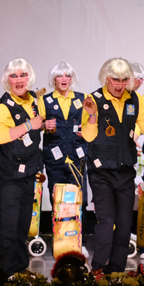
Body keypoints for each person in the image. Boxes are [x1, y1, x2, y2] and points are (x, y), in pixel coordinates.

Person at [81, 58, 144, 273]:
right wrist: (91, 116)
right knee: (107, 221)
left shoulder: (134, 99)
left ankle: (117, 271)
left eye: (124, 80)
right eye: (115, 80)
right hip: (101, 171)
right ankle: (99, 267)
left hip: (125, 170)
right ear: (106, 79)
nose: (120, 85)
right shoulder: (94, 99)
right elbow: (89, 136)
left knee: (124, 223)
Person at [0, 58, 45, 277]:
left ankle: (20, 267)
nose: (19, 80)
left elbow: (40, 124)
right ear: (7, 80)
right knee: (9, 225)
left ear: (29, 78)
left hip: (28, 172)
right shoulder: (3, 106)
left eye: (23, 75)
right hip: (8, 175)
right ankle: (10, 270)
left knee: (23, 225)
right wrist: (29, 125)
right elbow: (1, 136)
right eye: (14, 76)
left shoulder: (34, 101)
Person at [41, 62, 87, 205]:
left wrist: (85, 129)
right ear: (54, 79)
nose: (64, 79)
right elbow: (37, 126)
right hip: (54, 158)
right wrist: (44, 125)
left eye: (68, 76)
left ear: (71, 79)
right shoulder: (45, 100)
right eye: (60, 76)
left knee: (78, 197)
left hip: (77, 156)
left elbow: (92, 123)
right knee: (57, 197)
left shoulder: (82, 98)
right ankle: (58, 227)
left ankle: (77, 227)